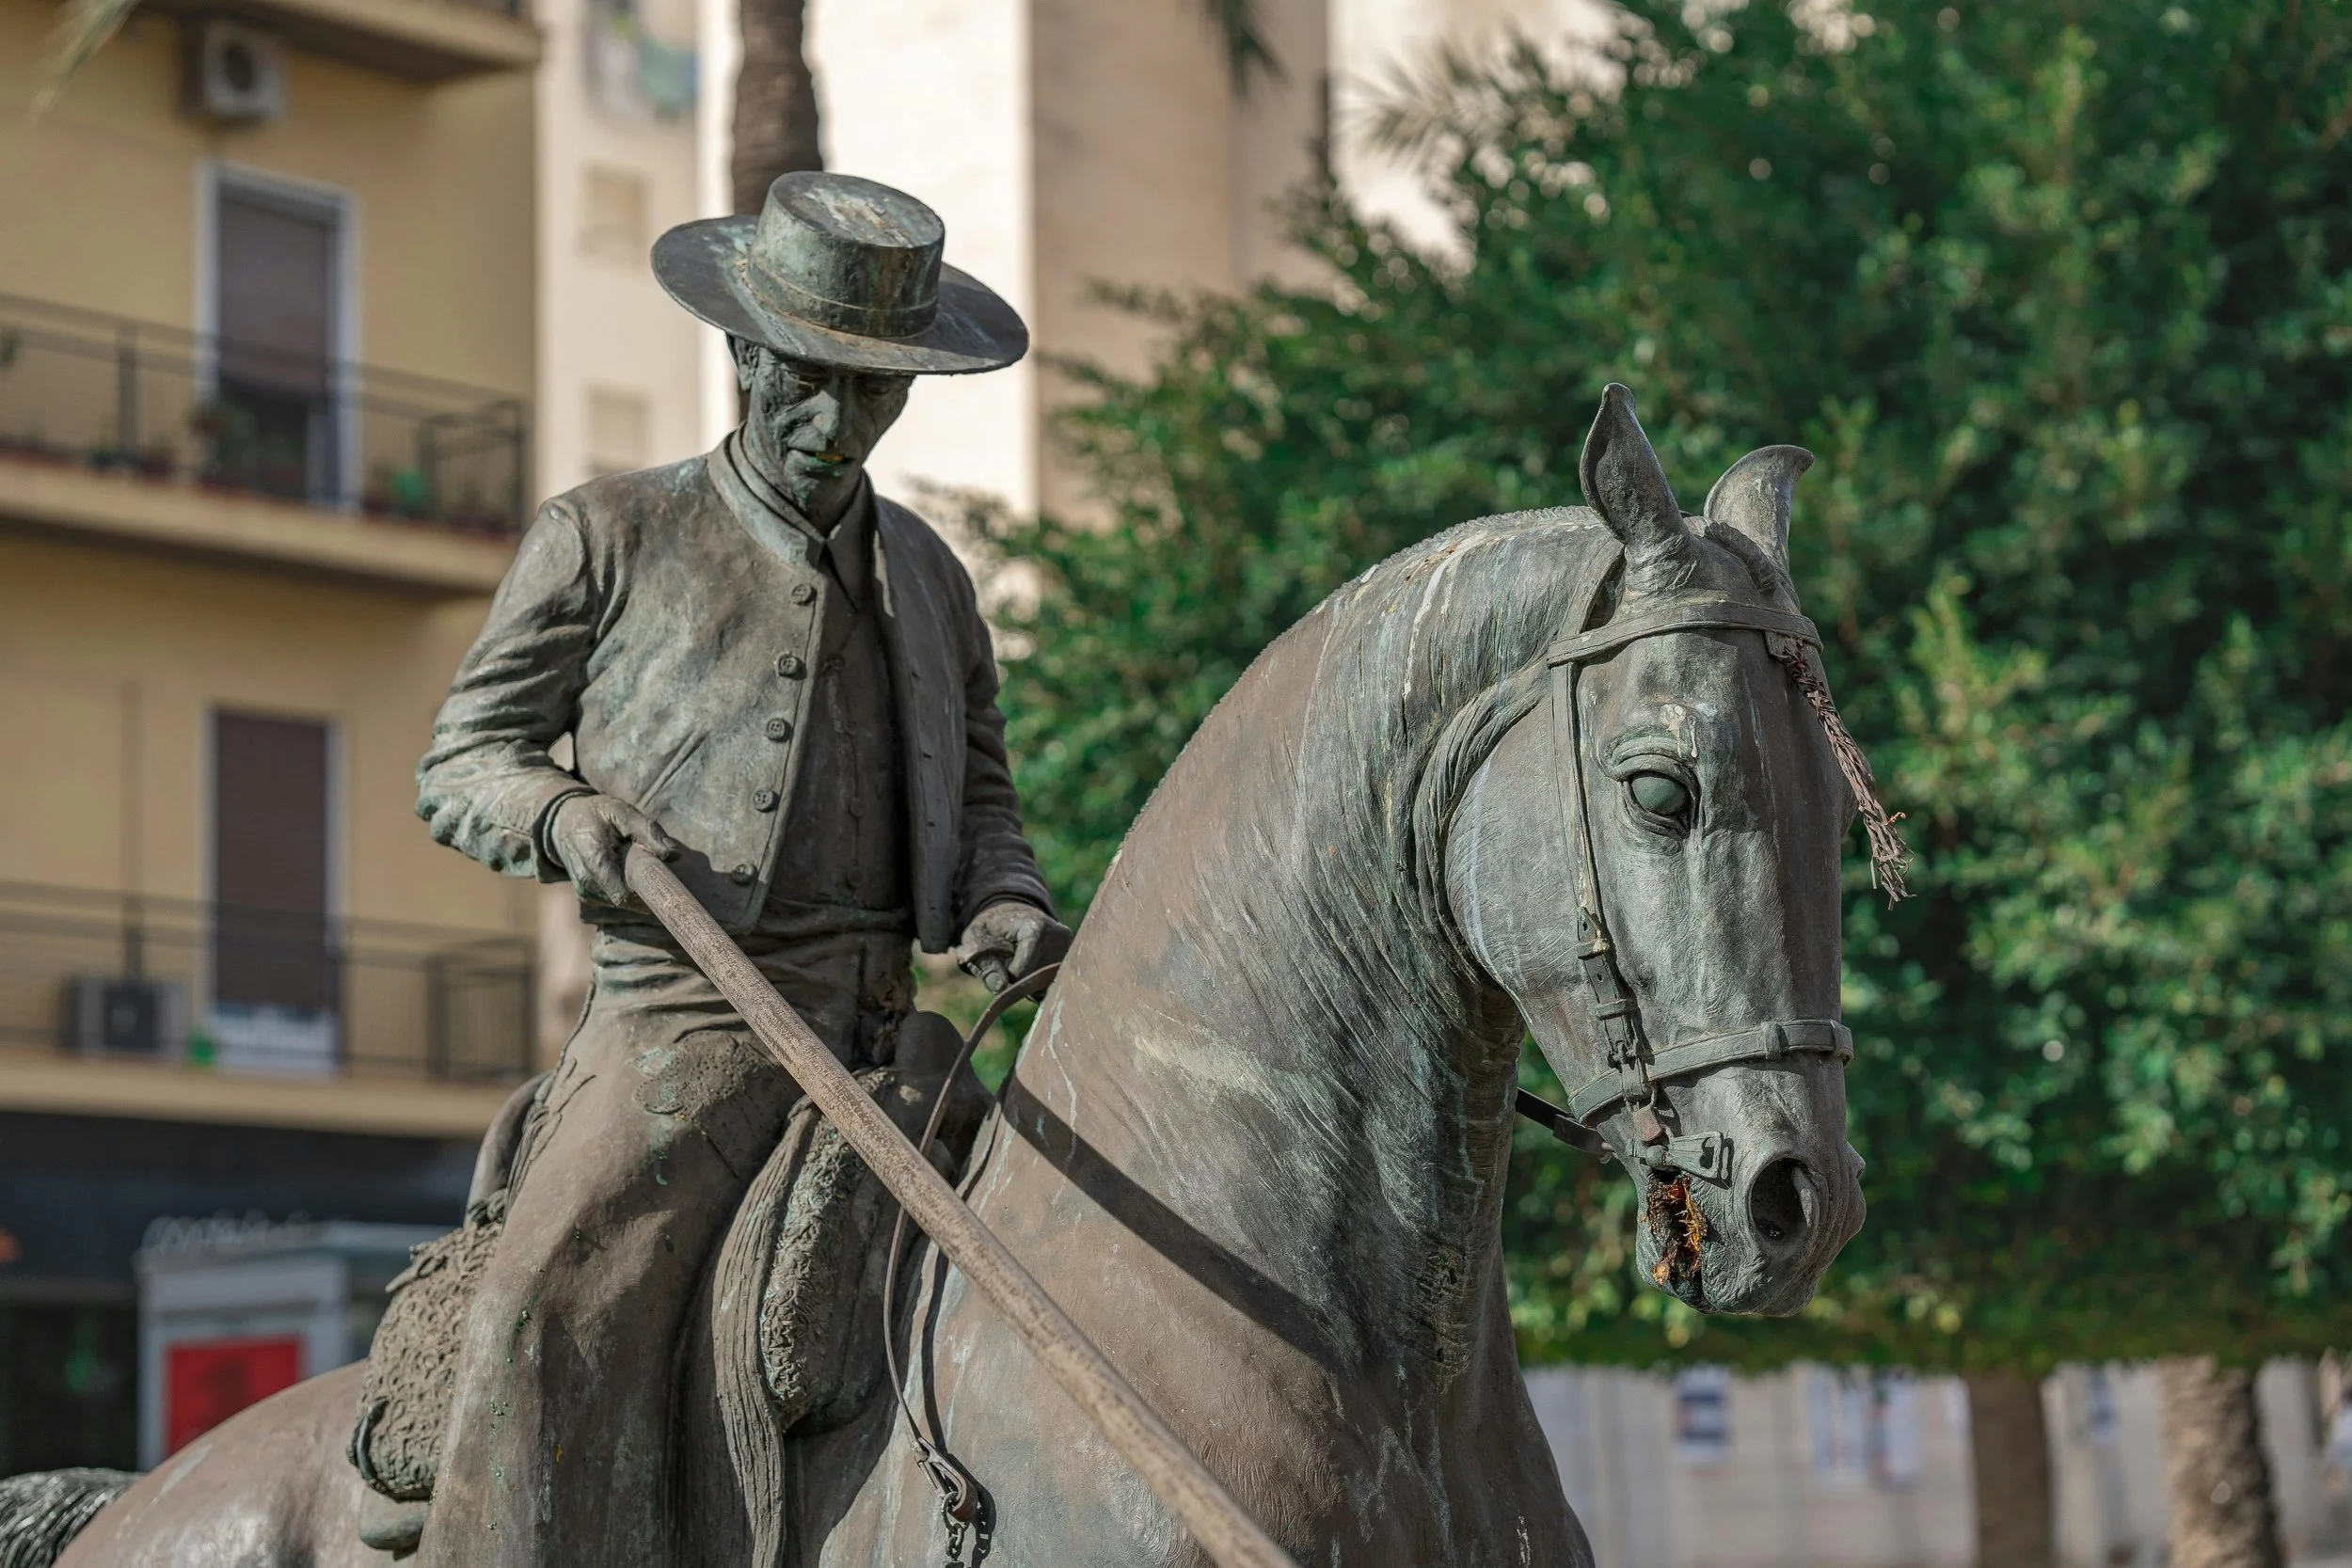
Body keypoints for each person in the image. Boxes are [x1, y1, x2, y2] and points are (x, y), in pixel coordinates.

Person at [409, 171, 1069, 1566]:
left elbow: (984, 799)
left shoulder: (936, 579)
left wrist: (1008, 895)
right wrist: (561, 817)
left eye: (872, 392)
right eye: (810, 382)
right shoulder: (605, 534)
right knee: (544, 1317)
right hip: (677, 1028)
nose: (838, 422)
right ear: (746, 356)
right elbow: (463, 760)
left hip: (894, 1038)